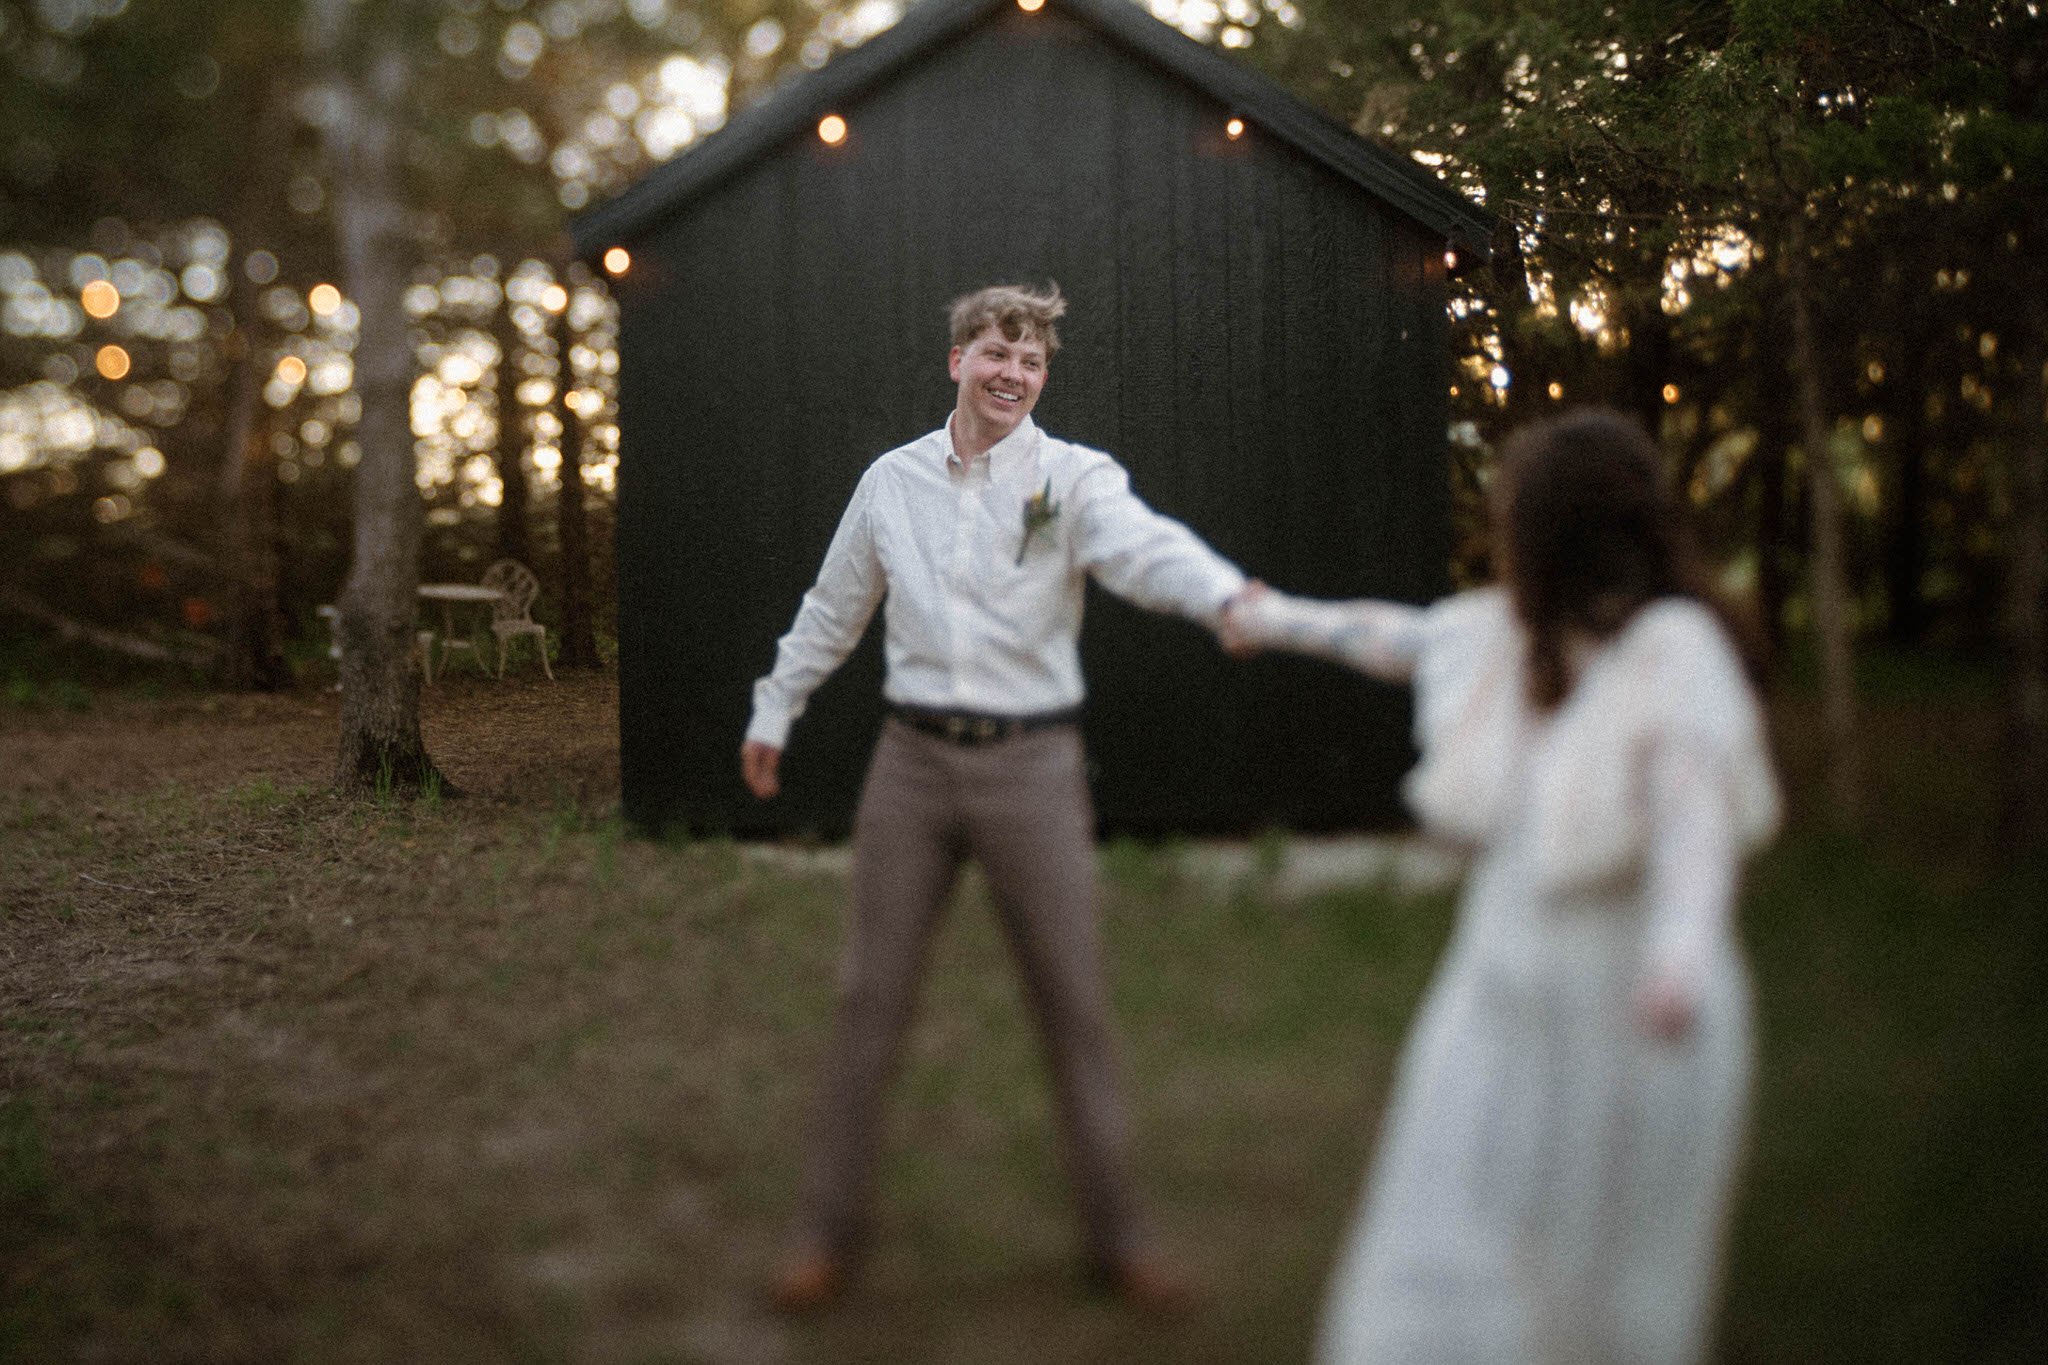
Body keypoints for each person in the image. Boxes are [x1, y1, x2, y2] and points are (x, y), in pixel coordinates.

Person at [1219, 408, 1780, 1364]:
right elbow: (1387, 636)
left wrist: (1679, 955)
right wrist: (1268, 619)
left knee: (1608, 1296)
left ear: (1542, 526)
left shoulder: (1676, 650)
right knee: (1442, 1258)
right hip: (1498, 1006)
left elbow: (1694, 820)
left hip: (1637, 1014)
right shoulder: (1498, 638)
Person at [741, 282, 1246, 1311]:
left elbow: (1140, 548)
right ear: (957, 360)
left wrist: (1221, 594)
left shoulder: (1072, 479)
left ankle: (1122, 1241)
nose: (1012, 373)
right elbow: (834, 609)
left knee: (1073, 1005)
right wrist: (773, 705)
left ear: (1040, 376)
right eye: (994, 353)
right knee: (867, 1002)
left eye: (1031, 361)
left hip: (1032, 770)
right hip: (911, 768)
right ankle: (822, 1238)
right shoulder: (890, 483)